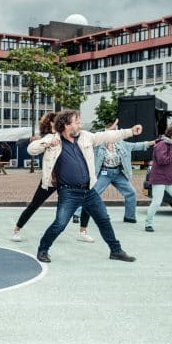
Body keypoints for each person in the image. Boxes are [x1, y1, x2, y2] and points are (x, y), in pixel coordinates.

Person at [31, 110, 141, 263]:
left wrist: (130, 132)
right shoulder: (53, 139)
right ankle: (43, 250)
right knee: (60, 224)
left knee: (103, 220)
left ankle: (116, 251)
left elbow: (106, 136)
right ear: (67, 125)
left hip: (89, 191)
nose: (80, 124)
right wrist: (47, 142)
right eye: (77, 122)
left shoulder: (86, 137)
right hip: (68, 192)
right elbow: (32, 149)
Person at [73, 120, 155, 241]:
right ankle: (77, 214)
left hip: (118, 173)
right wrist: (109, 129)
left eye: (116, 130)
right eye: (112, 130)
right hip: (104, 173)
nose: (115, 132)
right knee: (92, 194)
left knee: (131, 192)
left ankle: (129, 217)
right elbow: (92, 136)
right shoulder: (98, 145)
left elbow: (138, 145)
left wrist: (153, 142)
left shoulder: (121, 144)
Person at [11, 112, 58, 242]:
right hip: (50, 179)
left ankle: (82, 230)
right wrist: (31, 140)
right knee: (34, 204)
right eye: (57, 120)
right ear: (51, 123)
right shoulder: (44, 137)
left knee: (77, 203)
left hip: (65, 178)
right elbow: (19, 143)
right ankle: (17, 229)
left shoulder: (65, 136)